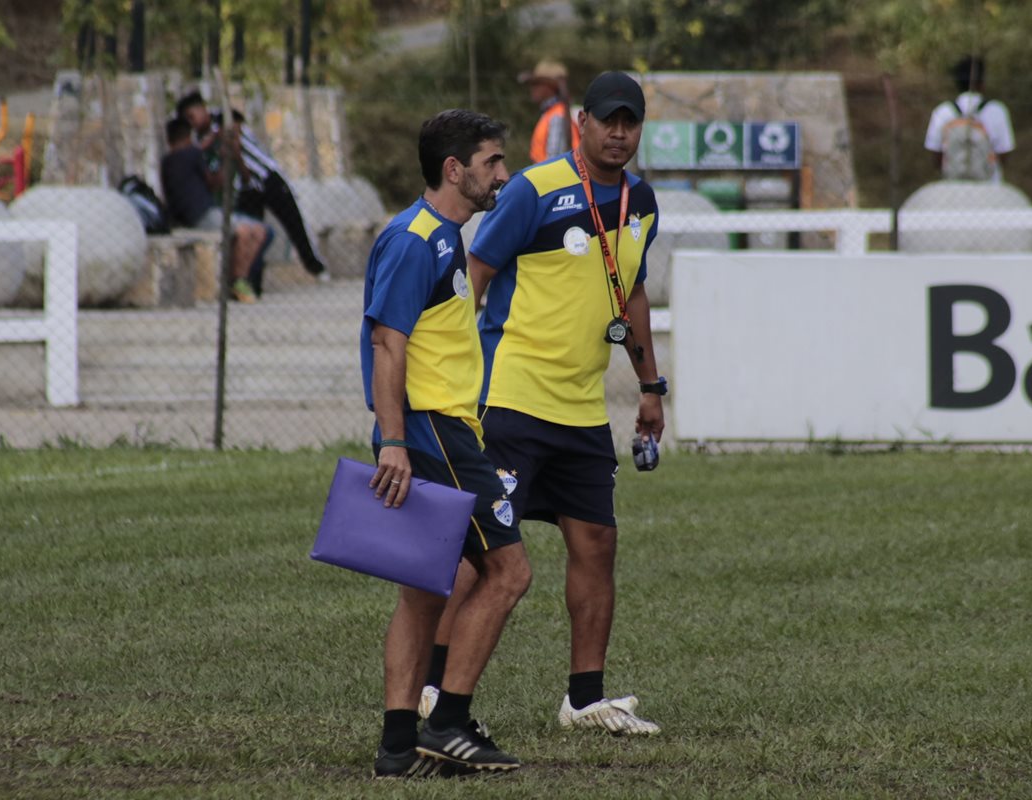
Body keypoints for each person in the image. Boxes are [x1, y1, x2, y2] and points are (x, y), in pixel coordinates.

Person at [422, 71, 665, 736]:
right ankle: (428, 687)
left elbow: (632, 293)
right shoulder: (534, 189)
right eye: (608, 119)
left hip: (583, 409)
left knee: (597, 544)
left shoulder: (640, 202)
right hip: (512, 399)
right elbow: (475, 276)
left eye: (631, 121)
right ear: (580, 122)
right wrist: (453, 375)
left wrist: (650, 387)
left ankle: (584, 700)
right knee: (484, 553)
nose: (619, 133)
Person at [360, 108, 532, 778]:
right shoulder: (414, 240)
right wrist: (395, 442)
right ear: (454, 170)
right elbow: (386, 343)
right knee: (509, 572)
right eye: (492, 162)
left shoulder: (443, 238)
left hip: (441, 428)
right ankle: (449, 722)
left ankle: (399, 746)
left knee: (424, 591)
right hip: (434, 430)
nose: (503, 174)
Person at [176, 90, 328, 279]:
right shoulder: (199, 141)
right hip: (246, 187)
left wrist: (225, 140)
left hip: (266, 177)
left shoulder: (223, 117)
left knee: (294, 224)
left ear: (202, 109)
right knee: (255, 231)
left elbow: (234, 139)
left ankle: (316, 267)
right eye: (187, 120)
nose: (193, 122)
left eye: (193, 116)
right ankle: (252, 282)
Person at [160, 116, 267, 304]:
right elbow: (216, 182)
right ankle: (237, 281)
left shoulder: (167, 161)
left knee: (258, 230)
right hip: (200, 215)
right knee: (246, 232)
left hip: (196, 214)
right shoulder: (190, 154)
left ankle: (236, 278)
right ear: (188, 136)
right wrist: (226, 157)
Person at [924, 55, 1015, 182]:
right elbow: (1004, 154)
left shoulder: (942, 111)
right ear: (982, 83)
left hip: (952, 186)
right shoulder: (997, 110)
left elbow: (936, 156)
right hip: (989, 186)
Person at [519, 59, 580, 164]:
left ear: (550, 87)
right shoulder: (552, 113)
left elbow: (555, 161)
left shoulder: (557, 115)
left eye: (536, 84)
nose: (532, 89)